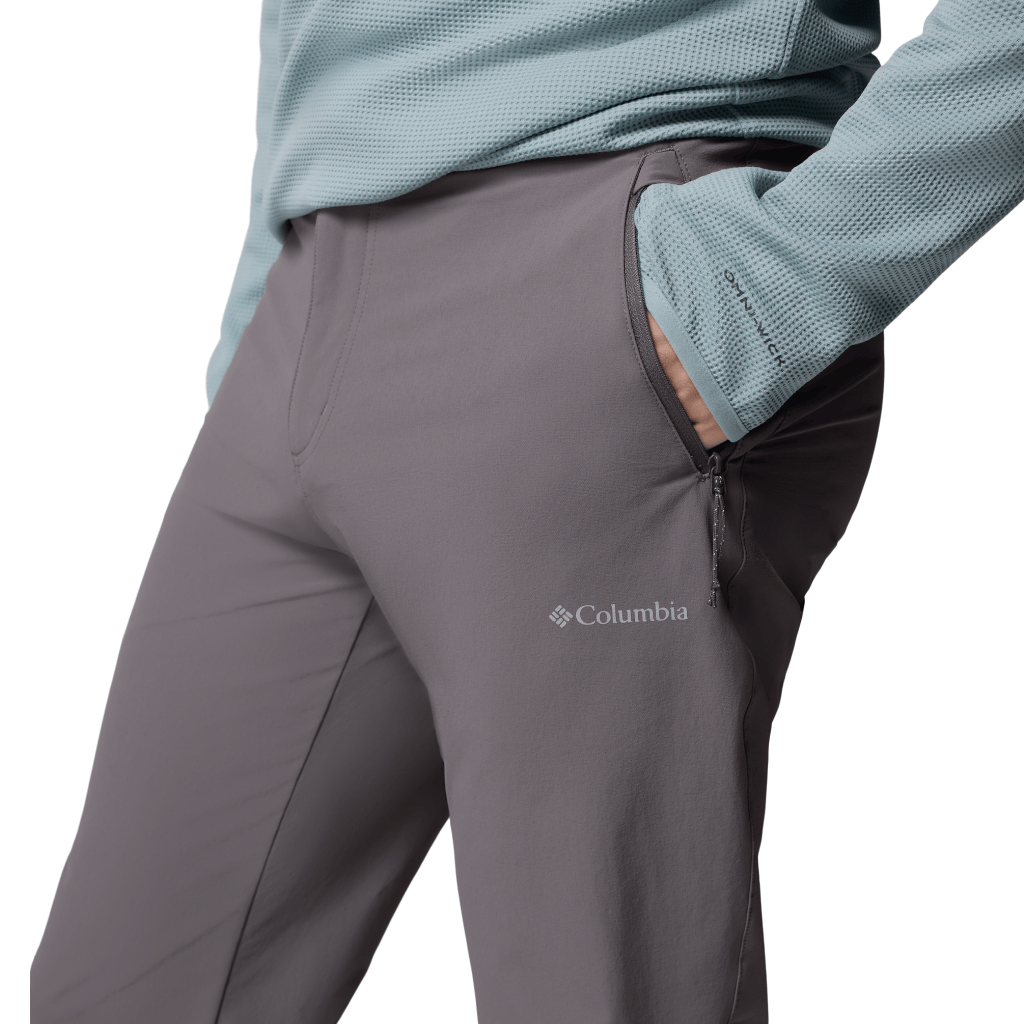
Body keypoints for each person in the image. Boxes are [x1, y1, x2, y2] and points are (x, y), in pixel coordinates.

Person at [31, 2, 1023, 1022]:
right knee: (117, 991)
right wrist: (262, 292)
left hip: (602, 266)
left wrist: (777, 282)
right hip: (310, 289)